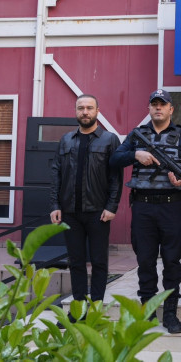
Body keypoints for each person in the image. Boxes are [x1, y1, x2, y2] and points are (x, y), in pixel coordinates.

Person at [110, 89, 181, 334]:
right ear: (149, 108)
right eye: (154, 104)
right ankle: (148, 311)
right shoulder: (137, 135)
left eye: (163, 104)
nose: (158, 108)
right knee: (145, 260)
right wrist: (135, 154)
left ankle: (170, 313)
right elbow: (115, 159)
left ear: (171, 109)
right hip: (143, 206)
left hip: (172, 205)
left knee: (172, 261)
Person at [49, 94, 123, 325]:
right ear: (76, 111)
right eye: (81, 108)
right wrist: (55, 205)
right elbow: (56, 174)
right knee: (76, 262)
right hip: (70, 212)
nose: (85, 112)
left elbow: (116, 177)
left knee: (99, 262)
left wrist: (111, 206)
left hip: (98, 212)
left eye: (89, 108)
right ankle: (78, 310)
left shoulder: (109, 140)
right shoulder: (66, 140)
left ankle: (96, 309)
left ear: (97, 111)